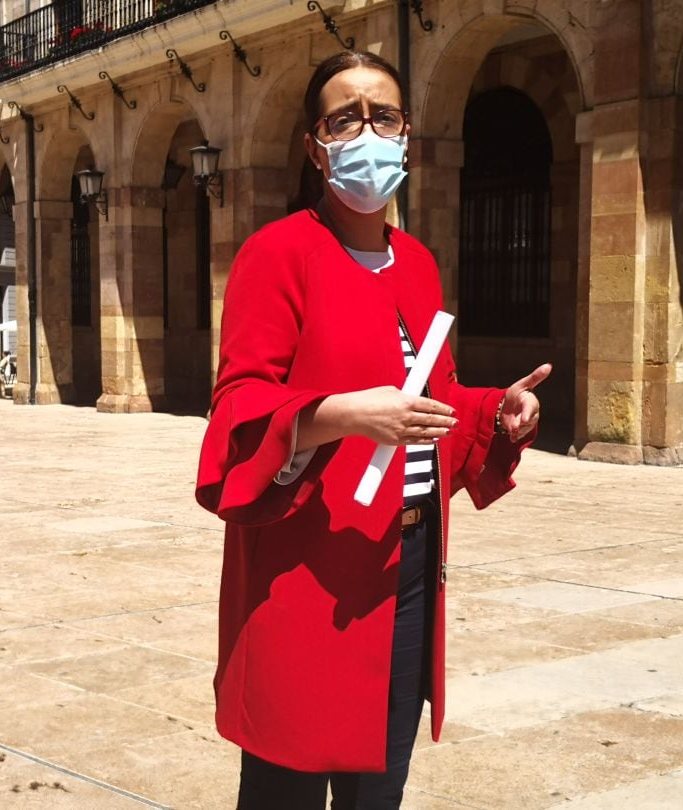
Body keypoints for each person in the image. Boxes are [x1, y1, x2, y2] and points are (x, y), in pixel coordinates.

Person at [195, 51, 551, 810]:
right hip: (306, 561)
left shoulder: (417, 263)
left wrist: (495, 410)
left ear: (406, 137)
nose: (367, 130)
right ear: (314, 145)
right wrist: (350, 414)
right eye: (344, 117)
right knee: (285, 781)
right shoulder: (278, 254)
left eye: (382, 115)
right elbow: (238, 407)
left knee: (378, 785)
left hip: (408, 557)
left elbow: (434, 390)